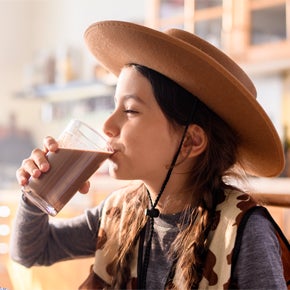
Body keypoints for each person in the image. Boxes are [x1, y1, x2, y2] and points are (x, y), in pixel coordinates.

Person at [11, 20, 290, 289]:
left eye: (130, 110)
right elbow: (31, 251)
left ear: (189, 142)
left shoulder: (243, 232)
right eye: (114, 106)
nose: (107, 125)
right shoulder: (119, 212)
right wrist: (34, 193)